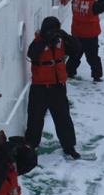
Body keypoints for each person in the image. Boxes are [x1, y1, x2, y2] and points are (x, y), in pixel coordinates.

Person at [25, 16, 83, 159]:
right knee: (35, 118)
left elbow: (77, 49)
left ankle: (69, 146)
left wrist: (65, 36)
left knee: (63, 118)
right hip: (40, 87)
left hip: (58, 87)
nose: (55, 33)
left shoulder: (61, 42)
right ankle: (31, 146)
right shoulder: (38, 42)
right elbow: (31, 54)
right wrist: (45, 40)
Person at [67, 0, 104, 82]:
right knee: (93, 58)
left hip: (77, 34)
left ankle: (69, 72)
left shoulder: (74, 2)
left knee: (75, 55)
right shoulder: (93, 5)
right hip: (90, 36)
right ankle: (96, 76)